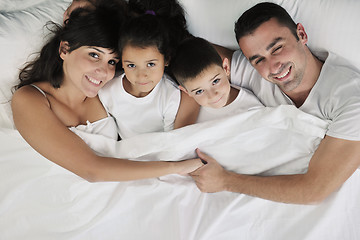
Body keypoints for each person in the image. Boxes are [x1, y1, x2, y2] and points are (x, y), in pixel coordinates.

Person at [190, 2, 360, 204]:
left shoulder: (350, 97)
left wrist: (225, 181)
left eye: (277, 48)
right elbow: (193, 55)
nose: (273, 67)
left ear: (302, 34)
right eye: (258, 60)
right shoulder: (255, 73)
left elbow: (314, 190)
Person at [11, 6, 203, 183]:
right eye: (94, 55)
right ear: (64, 49)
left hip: (125, 188)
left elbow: (167, 70)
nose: (103, 72)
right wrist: (175, 167)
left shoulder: (108, 89)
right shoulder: (30, 99)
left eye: (112, 62)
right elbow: (91, 170)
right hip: (64, 195)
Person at [98, 0, 199, 139]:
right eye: (131, 65)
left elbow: (170, 143)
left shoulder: (171, 96)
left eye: (151, 64)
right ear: (121, 62)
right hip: (123, 156)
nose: (141, 75)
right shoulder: (107, 90)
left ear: (166, 60)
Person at [171, 37, 263, 123]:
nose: (212, 95)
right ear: (187, 92)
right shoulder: (190, 115)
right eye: (199, 91)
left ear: (226, 68)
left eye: (215, 81)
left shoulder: (251, 107)